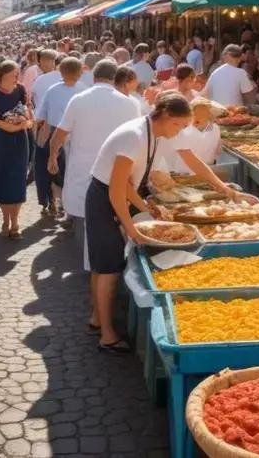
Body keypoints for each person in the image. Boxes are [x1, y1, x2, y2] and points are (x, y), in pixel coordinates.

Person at [85, 93, 239, 353]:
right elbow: (115, 189)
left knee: (104, 263)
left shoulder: (152, 134)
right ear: (166, 116)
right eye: (178, 125)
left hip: (116, 192)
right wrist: (131, 228)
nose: (179, 132)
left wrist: (146, 208)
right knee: (108, 267)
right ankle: (107, 336)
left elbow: (134, 183)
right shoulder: (133, 136)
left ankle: (97, 318)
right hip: (103, 197)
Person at [48, 60, 140, 328]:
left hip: (83, 178)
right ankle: (104, 302)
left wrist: (52, 156)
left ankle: (99, 304)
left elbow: (60, 133)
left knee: (91, 241)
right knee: (107, 241)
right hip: (118, 178)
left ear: (94, 76)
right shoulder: (129, 102)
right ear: (114, 78)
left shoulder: (79, 99)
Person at [0, 61, 34, 238]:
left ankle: (15, 222)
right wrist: (8, 127)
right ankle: (6, 219)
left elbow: (27, 111)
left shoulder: (20, 90)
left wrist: (26, 122)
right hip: (0, 140)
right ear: (4, 75)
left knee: (18, 179)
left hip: (19, 140)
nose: (17, 76)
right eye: (14, 73)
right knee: (3, 178)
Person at [34, 57, 85, 218]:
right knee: (69, 172)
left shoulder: (53, 90)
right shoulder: (84, 89)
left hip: (53, 133)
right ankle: (68, 207)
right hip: (77, 136)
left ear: (61, 72)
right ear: (80, 72)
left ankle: (50, 202)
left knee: (46, 170)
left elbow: (40, 116)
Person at [154, 98, 221, 174]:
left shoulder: (215, 129)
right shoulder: (181, 130)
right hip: (183, 174)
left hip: (205, 173)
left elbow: (216, 153)